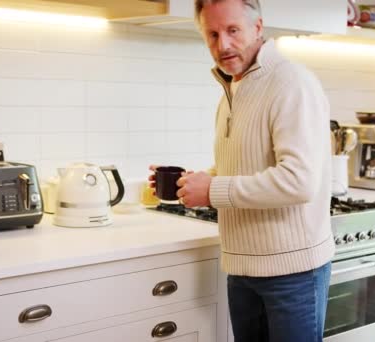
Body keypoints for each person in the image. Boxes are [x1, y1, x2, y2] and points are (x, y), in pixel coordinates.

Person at [151, 0, 334, 341]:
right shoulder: (233, 87)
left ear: (258, 27)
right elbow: (239, 167)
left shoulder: (290, 82)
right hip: (242, 268)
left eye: (233, 30)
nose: (223, 45)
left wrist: (213, 189)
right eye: (213, 34)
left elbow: (299, 181)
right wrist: (191, 183)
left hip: (292, 272)